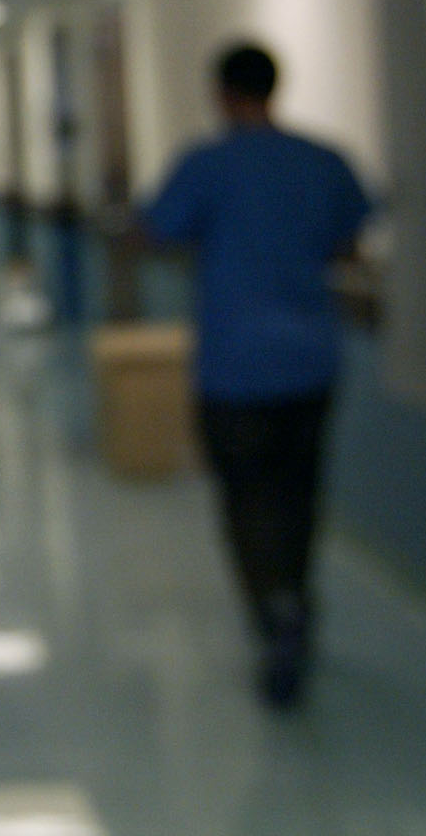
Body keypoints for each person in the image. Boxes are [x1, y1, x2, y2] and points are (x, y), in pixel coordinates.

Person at [142, 42, 370, 709]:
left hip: (235, 366)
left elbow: (160, 230)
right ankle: (297, 599)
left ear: (221, 94)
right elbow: (349, 240)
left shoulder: (207, 164)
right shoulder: (324, 161)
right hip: (310, 360)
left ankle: (273, 614)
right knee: (300, 489)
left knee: (246, 494)